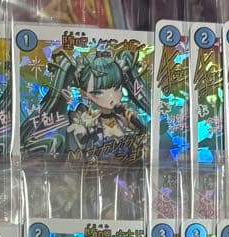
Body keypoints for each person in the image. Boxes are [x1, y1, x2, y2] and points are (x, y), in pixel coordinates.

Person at [20, 49, 148, 160]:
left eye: (117, 88)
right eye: (99, 92)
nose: (112, 97)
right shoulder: (81, 122)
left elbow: (142, 155)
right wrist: (85, 135)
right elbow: (75, 160)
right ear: (84, 93)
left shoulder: (125, 120)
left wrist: (137, 130)